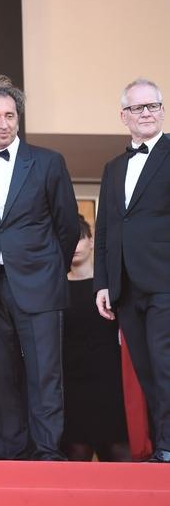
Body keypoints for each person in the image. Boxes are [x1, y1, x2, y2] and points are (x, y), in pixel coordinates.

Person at [0, 74, 79, 461]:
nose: (3, 123)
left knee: (45, 374)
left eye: (10, 115)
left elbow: (67, 227)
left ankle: (47, 452)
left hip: (40, 284)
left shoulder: (48, 162)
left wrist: (49, 270)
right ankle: (9, 457)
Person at [94, 77, 169, 463]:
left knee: (165, 363)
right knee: (145, 369)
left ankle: (167, 447)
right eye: (138, 107)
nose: (147, 113)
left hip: (165, 282)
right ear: (124, 116)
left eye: (153, 105)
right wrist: (102, 283)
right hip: (125, 286)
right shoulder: (113, 168)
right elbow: (106, 228)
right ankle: (162, 445)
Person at [63, 215, 130, 461]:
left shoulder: (110, 286)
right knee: (76, 453)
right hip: (71, 381)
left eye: (80, 238)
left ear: (91, 241)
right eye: (69, 240)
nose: (75, 246)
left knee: (118, 449)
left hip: (109, 378)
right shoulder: (55, 288)